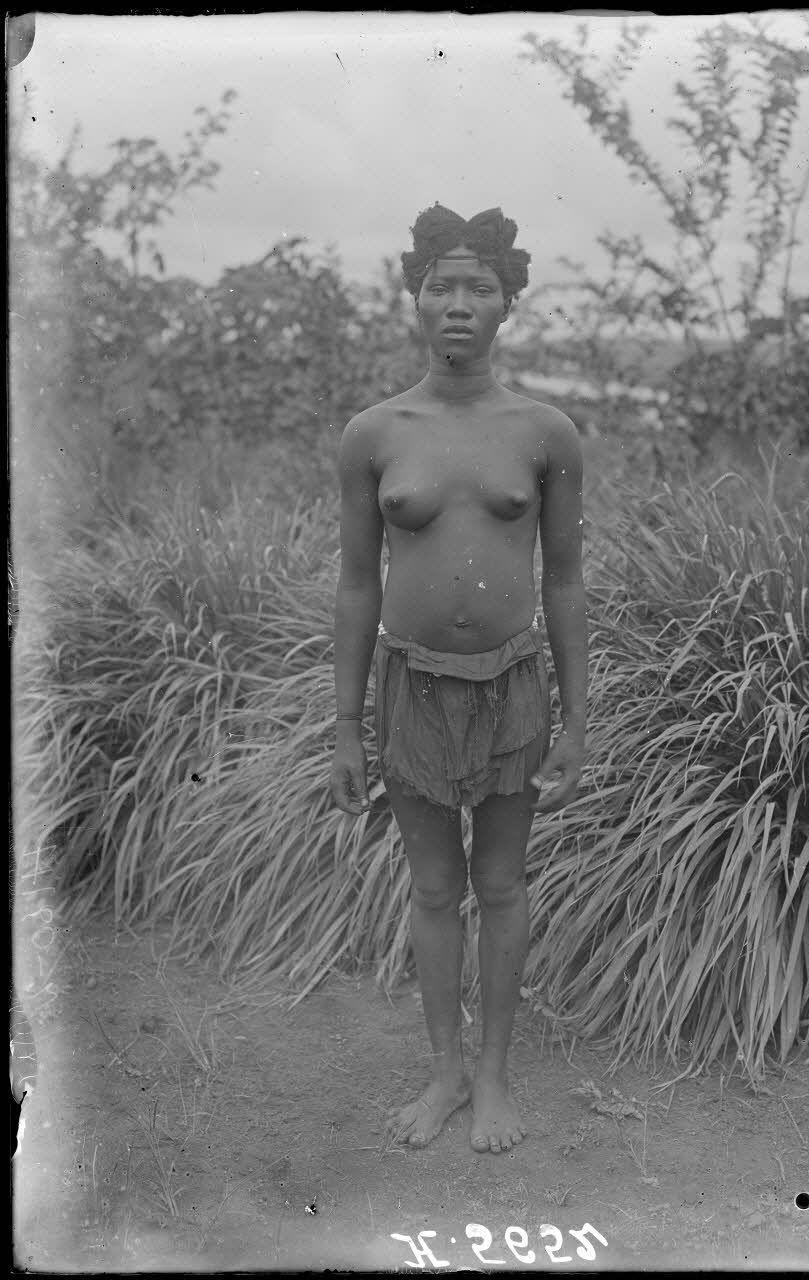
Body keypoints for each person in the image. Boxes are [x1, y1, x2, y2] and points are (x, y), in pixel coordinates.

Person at [330, 204, 586, 1155]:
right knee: (434, 889)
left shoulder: (544, 431)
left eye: (480, 288)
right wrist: (344, 727)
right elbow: (358, 584)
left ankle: (493, 1077)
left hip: (512, 686)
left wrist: (576, 720)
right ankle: (443, 1072)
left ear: (506, 304)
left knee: (502, 884)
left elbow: (564, 580)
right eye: (441, 286)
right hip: (413, 688)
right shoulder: (374, 433)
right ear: (416, 297)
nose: (459, 304)